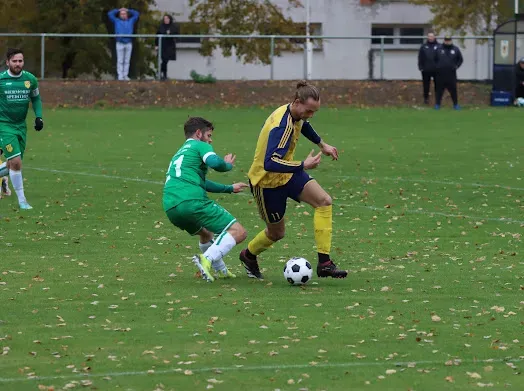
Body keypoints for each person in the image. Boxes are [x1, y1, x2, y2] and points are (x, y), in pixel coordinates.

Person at [239, 81, 348, 280]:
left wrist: (321, 144)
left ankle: (324, 263)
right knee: (276, 234)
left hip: (288, 173)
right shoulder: (281, 127)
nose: (310, 115)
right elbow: (270, 162)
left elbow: (304, 124)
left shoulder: (294, 112)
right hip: (266, 183)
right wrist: (303, 165)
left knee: (324, 201)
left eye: (314, 112)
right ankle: (248, 255)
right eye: (309, 110)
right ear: (297, 102)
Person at [163, 116, 249, 282]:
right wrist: (227, 165)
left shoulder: (180, 153)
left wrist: (229, 189)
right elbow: (214, 162)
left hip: (171, 207)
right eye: (208, 136)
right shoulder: (199, 145)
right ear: (198, 133)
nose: (209, 141)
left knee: (205, 233)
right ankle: (206, 258)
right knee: (239, 232)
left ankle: (221, 271)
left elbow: (201, 182)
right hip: (191, 201)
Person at [0, 48, 43, 210]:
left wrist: (39, 117)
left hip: (21, 126)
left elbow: (36, 98)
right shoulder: (1, 80)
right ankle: (22, 200)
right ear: (8, 63)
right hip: (4, 125)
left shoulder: (30, 79)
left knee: (12, 164)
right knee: (16, 162)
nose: (18, 64)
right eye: (14, 61)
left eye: (20, 61)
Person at [107, 7, 140, 81]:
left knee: (127, 60)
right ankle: (120, 76)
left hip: (128, 42)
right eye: (121, 14)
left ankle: (125, 75)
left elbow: (137, 14)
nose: (123, 15)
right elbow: (109, 14)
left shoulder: (131, 20)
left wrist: (128, 10)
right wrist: (118, 10)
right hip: (120, 43)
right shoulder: (116, 21)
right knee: (120, 60)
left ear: (127, 15)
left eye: (124, 14)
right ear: (119, 15)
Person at [434, 35, 463, 110]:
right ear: (444, 40)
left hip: (451, 74)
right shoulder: (439, 49)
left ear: (451, 40)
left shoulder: (455, 49)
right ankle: (437, 104)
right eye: (446, 40)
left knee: (453, 90)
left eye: (449, 40)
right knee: (439, 90)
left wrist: (456, 66)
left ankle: (455, 105)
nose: (447, 41)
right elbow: (434, 59)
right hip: (440, 74)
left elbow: (460, 59)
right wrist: (437, 67)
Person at [155, 14, 179, 81]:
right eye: (164, 19)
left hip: (170, 46)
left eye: (167, 19)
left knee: (166, 61)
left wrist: (171, 34)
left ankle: (159, 71)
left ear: (169, 19)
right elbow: (157, 36)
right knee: (164, 60)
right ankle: (164, 75)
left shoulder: (173, 27)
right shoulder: (161, 26)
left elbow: (176, 35)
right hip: (162, 45)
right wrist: (156, 45)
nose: (166, 20)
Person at [418, 32, 440, 104]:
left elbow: (442, 58)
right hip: (426, 69)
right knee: (426, 85)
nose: (430, 38)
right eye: (429, 36)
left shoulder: (439, 46)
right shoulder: (423, 46)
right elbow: (420, 57)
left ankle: (437, 99)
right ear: (427, 37)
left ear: (434, 37)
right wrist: (420, 67)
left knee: (438, 85)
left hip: (436, 70)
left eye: (432, 36)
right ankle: (426, 99)